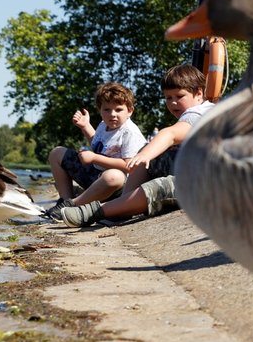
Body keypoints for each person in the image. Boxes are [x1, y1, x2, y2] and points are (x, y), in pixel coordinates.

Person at [60, 65, 215, 227]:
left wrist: (145, 155)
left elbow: (169, 134)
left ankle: (98, 211)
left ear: (198, 93)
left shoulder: (198, 113)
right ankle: (120, 207)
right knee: (148, 157)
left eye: (179, 96)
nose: (173, 102)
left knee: (158, 185)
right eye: (168, 98)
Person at [44, 82, 147, 220]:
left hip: (119, 187)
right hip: (96, 176)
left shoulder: (129, 132)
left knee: (113, 176)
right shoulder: (104, 125)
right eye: (107, 109)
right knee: (57, 153)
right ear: (100, 110)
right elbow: (98, 143)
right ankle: (64, 200)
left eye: (118, 109)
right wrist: (85, 126)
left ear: (130, 110)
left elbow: (130, 166)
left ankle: (73, 205)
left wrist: (94, 158)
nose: (112, 114)